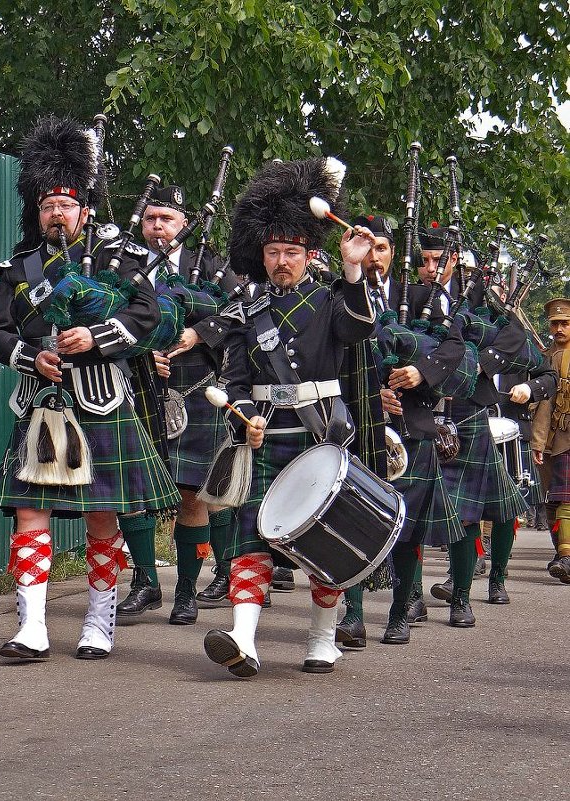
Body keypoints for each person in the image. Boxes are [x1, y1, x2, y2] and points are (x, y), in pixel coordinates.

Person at [0, 116, 180, 661]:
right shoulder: (19, 268)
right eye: (48, 205)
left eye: (67, 206)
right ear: (38, 211)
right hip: (42, 401)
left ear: (85, 211)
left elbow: (149, 315)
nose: (57, 214)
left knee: (102, 516)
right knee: (30, 514)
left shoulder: (119, 261)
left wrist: (93, 336)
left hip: (100, 400)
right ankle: (33, 627)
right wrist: (31, 355)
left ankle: (99, 621)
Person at [203, 157, 377, 677]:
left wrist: (353, 270)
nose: (282, 261)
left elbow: (358, 329)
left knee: (322, 538)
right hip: (266, 439)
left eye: (292, 252)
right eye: (274, 252)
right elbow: (235, 383)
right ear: (262, 255)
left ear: (309, 255)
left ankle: (323, 638)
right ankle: (244, 639)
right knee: (251, 537)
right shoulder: (246, 312)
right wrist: (244, 418)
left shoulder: (329, 301)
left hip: (318, 433)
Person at [336, 216, 469, 646]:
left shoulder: (421, 297)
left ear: (393, 253)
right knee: (354, 522)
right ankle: (352, 615)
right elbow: (331, 356)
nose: (373, 256)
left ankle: (398, 613)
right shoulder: (338, 297)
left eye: (381, 248)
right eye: (365, 246)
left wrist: (420, 372)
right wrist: (371, 393)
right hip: (358, 423)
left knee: (407, 528)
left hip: (411, 427)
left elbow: (455, 348)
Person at [114, 185, 238, 624]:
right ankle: (145, 582)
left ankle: (185, 591)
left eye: (166, 218)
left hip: (194, 389)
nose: (158, 226)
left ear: (184, 222)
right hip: (134, 384)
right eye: (150, 218)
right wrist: (141, 348)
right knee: (132, 490)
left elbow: (237, 310)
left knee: (192, 492)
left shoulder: (209, 263)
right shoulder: (122, 262)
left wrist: (196, 334)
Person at [417, 226, 531, 624]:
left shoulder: (480, 299)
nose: (431, 269)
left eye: (439, 260)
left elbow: (518, 340)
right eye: (424, 261)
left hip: (467, 413)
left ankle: (463, 596)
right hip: (424, 412)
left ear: (453, 261)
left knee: (472, 510)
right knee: (423, 508)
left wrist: (478, 366)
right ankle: (413, 595)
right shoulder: (410, 300)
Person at [531, 297, 570, 583]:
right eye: (555, 324)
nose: (559, 329)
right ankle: (562, 557)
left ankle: (566, 557)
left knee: (566, 495)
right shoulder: (547, 357)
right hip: (554, 439)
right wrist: (538, 442)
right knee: (553, 500)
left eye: (565, 323)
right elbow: (544, 404)